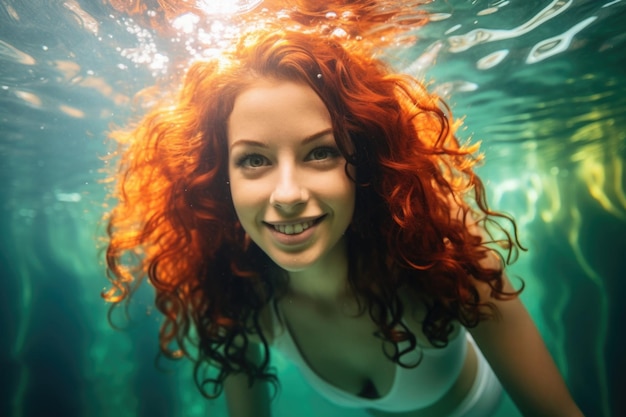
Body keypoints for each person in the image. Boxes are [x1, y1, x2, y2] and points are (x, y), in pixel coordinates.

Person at [103, 26, 583, 417]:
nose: (287, 194)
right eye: (253, 160)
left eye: (321, 152)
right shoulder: (236, 293)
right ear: (216, 177)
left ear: (366, 163)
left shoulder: (443, 251)